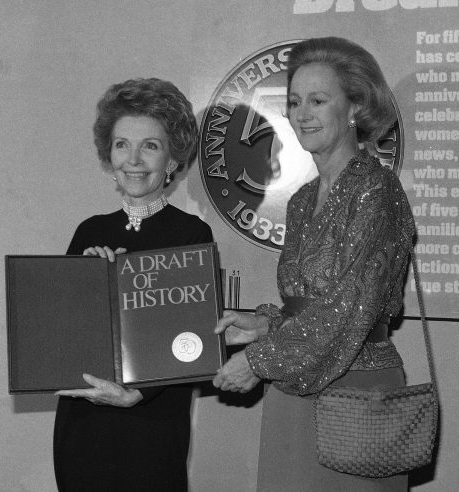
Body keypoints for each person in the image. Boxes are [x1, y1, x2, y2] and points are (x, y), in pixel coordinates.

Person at [213, 37, 415, 491]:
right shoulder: (303, 199)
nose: (303, 113)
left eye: (319, 100)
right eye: (295, 101)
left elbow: (349, 310)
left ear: (355, 110)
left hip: (356, 394)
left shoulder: (376, 191)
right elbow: (310, 305)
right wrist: (265, 324)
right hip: (294, 389)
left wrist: (258, 360)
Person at [53, 78, 213, 491]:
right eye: (122, 144)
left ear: (173, 159)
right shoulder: (89, 231)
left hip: (150, 424)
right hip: (84, 426)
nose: (134, 159)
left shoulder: (191, 234)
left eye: (151, 146)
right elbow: (65, 335)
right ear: (109, 153)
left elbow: (191, 339)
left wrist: (137, 394)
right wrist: (85, 282)